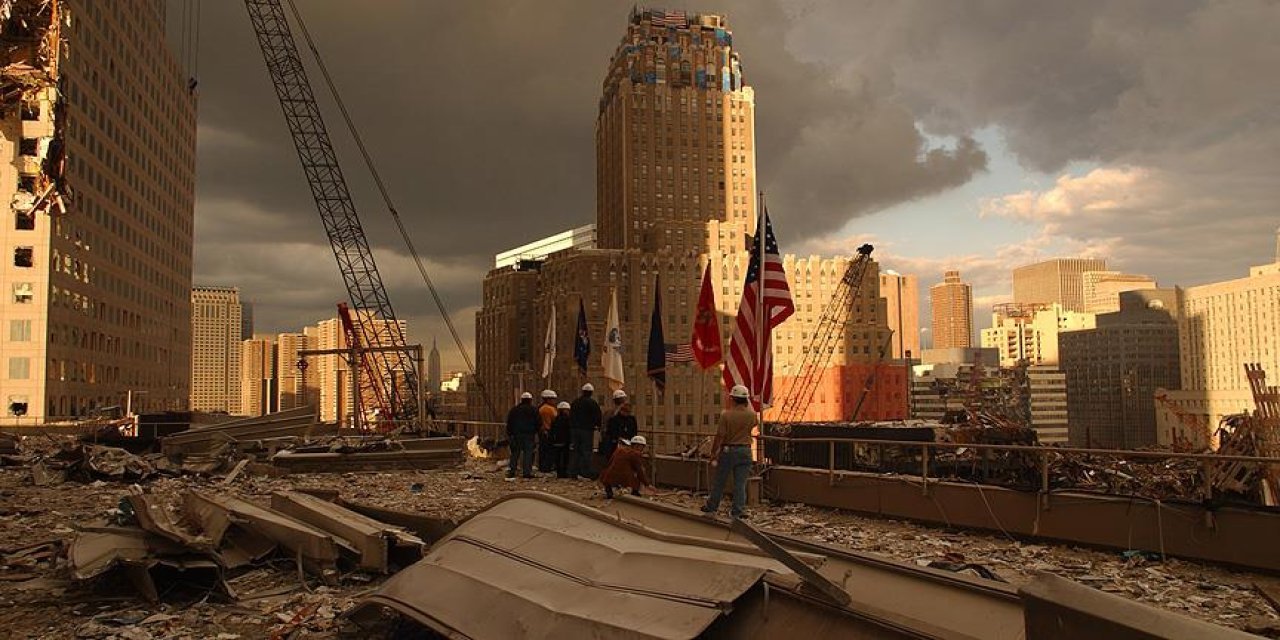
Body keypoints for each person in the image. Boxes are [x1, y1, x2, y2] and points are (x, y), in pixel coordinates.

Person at [701, 384, 757, 518]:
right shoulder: (752, 415)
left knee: (720, 481)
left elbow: (720, 436)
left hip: (728, 451)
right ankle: (738, 510)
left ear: (732, 398)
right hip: (745, 451)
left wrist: (713, 453)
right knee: (740, 483)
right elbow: (753, 425)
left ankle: (711, 506)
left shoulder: (726, 415)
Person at [568, 383, 602, 479]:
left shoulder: (575, 402)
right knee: (586, 451)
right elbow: (597, 416)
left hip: (575, 430)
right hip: (587, 431)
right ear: (591, 393)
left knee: (575, 451)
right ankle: (585, 471)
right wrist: (598, 427)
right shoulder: (592, 403)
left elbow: (570, 416)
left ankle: (573, 472)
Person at [505, 392, 539, 480]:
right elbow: (538, 422)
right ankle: (526, 472)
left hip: (516, 435)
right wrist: (537, 433)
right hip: (529, 435)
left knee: (515, 453)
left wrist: (510, 434)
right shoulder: (533, 410)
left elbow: (509, 423)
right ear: (530, 400)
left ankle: (512, 471)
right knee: (528, 453)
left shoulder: (514, 410)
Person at [600, 390, 637, 462]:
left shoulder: (608, 412)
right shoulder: (618, 415)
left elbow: (604, 427)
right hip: (616, 441)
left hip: (612, 441)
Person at [549, 401, 573, 478]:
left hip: (556, 441)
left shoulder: (555, 419)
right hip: (565, 441)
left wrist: (552, 439)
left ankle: (559, 473)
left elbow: (552, 430)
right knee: (565, 457)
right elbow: (569, 430)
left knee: (557, 458)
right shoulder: (568, 419)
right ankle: (564, 472)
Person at [536, 389, 558, 473]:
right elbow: (555, 419)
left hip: (543, 432)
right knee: (548, 450)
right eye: (553, 399)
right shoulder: (549, 409)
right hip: (548, 432)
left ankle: (543, 467)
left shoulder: (540, 408)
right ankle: (547, 467)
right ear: (548, 399)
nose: (554, 401)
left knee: (543, 450)